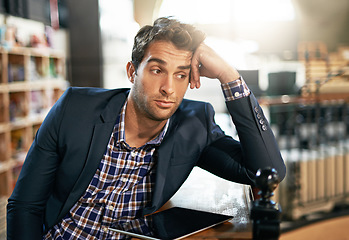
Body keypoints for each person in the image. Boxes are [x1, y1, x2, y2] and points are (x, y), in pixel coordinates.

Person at [7, 17, 286, 239]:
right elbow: (24, 206)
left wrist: (229, 76)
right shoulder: (74, 109)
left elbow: (265, 171)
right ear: (132, 71)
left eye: (181, 74)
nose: (168, 88)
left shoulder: (195, 125)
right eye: (156, 70)